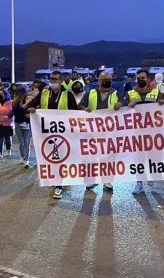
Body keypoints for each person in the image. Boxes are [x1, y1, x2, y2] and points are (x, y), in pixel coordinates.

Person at [27, 70, 78, 199]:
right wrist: (32, 108)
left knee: (59, 159)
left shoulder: (68, 95)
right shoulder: (44, 92)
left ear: (61, 80)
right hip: (47, 133)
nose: (52, 81)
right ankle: (56, 181)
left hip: (63, 133)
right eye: (51, 79)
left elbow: (75, 113)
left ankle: (58, 185)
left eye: (55, 79)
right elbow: (32, 104)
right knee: (51, 159)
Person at [79, 72, 123, 193]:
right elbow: (80, 105)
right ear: (99, 81)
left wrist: (121, 104)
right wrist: (84, 108)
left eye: (109, 79)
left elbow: (124, 106)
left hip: (109, 132)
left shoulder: (116, 93)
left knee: (108, 157)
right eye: (104, 79)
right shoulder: (90, 93)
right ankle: (90, 181)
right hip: (91, 132)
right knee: (89, 157)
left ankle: (107, 181)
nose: (106, 81)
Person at [125, 69, 162, 195]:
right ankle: (139, 183)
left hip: (153, 130)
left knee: (152, 156)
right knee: (138, 158)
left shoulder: (156, 92)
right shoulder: (130, 93)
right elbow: (123, 109)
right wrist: (127, 105)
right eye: (138, 78)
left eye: (143, 77)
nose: (140, 80)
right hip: (136, 131)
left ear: (148, 79)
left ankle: (151, 176)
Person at [12, 86, 33, 168]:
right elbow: (17, 111)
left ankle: (26, 159)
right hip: (18, 123)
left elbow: (30, 109)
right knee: (21, 142)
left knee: (27, 141)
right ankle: (23, 157)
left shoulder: (27, 99)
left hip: (27, 123)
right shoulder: (14, 102)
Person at [0, 85, 13, 160]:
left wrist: (8, 116)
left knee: (8, 139)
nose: (0, 95)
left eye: (2, 94)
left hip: (7, 124)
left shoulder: (11, 102)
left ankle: (8, 149)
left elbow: (13, 111)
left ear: (6, 95)